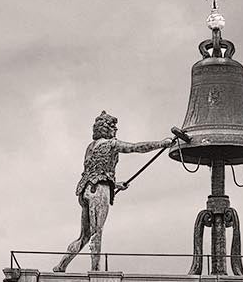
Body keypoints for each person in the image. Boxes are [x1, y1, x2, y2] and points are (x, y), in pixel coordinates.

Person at [53, 112, 181, 273]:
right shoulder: (111, 144)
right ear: (106, 128)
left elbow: (94, 170)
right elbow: (135, 147)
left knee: (84, 236)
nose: (116, 129)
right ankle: (96, 272)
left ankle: (61, 265)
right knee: (97, 233)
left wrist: (114, 185)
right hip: (99, 190)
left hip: (85, 189)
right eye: (113, 127)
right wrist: (161, 144)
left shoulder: (91, 147)